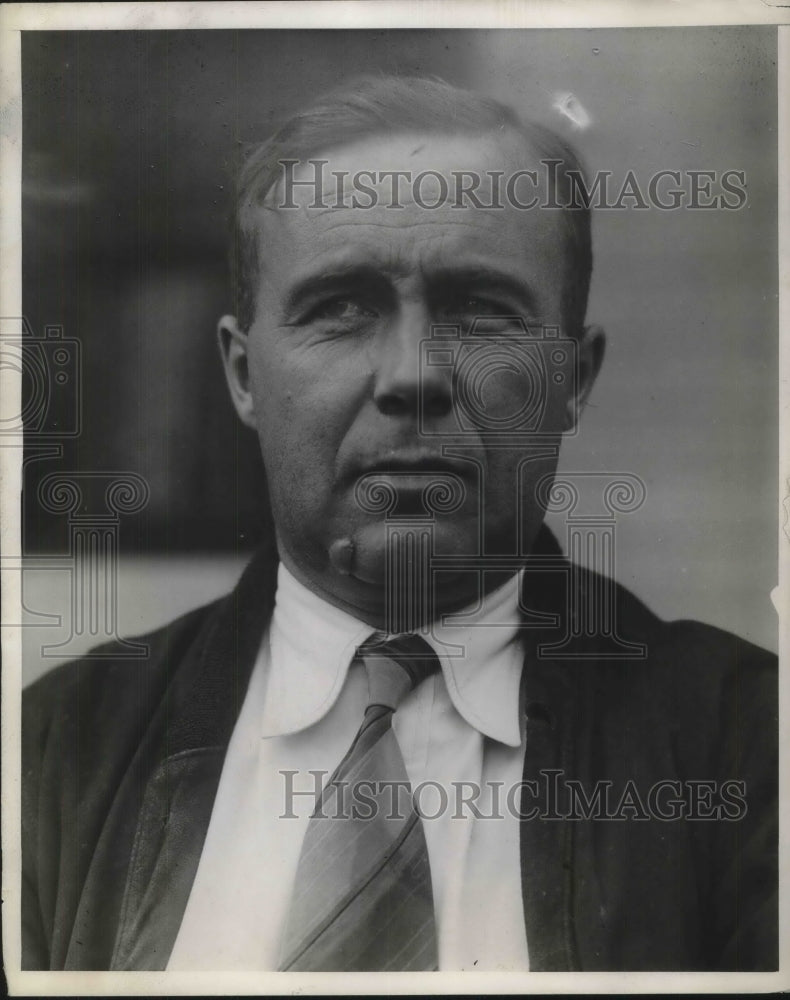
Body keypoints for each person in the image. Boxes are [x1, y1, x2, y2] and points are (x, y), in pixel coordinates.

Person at [22, 75, 777, 973]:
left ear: (573, 378)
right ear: (242, 374)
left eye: (480, 309)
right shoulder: (51, 756)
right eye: (341, 307)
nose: (411, 376)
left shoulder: (751, 747)